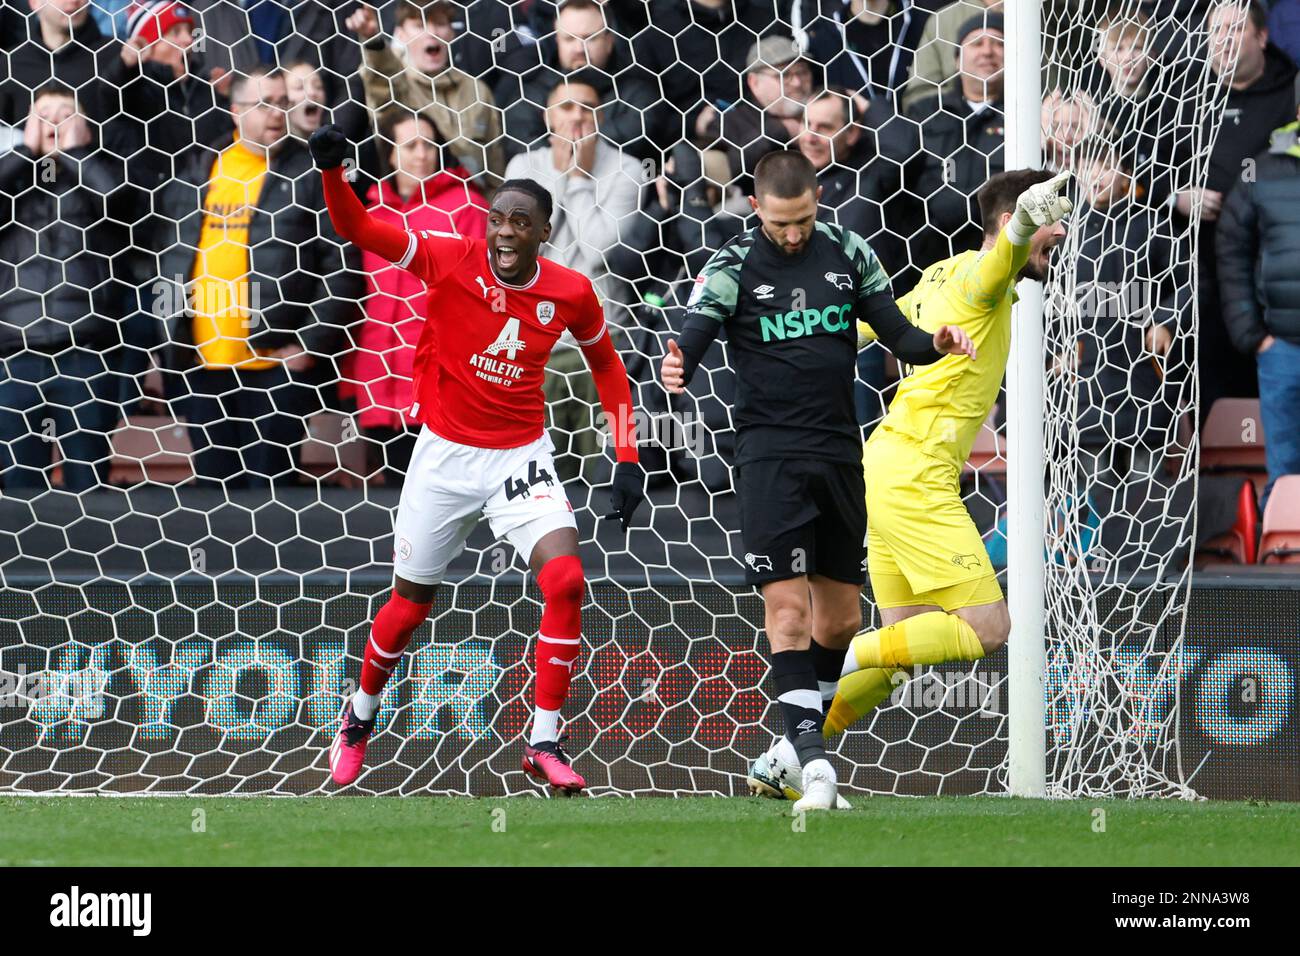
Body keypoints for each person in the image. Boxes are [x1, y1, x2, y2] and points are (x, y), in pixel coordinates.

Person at [310, 124, 646, 794]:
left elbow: (608, 367)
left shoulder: (572, 292)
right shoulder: (447, 256)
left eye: (520, 222)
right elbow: (358, 227)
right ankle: (360, 715)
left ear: (542, 233)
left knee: (567, 583)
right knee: (409, 606)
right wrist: (331, 170)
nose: (503, 232)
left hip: (520, 455)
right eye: (496, 219)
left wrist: (627, 453)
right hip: (444, 457)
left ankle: (543, 743)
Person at [659, 151, 976, 811]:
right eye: (781, 223)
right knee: (789, 613)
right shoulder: (732, 264)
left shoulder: (849, 251)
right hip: (769, 456)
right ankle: (816, 766)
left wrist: (937, 341)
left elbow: (895, 333)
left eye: (803, 219)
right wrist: (679, 360)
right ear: (756, 207)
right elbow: (698, 328)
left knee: (840, 622)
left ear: (818, 200)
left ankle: (795, 755)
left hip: (838, 454)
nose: (795, 234)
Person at [750, 169, 1072, 792]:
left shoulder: (939, 273)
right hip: (918, 476)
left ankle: (788, 757)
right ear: (1012, 222)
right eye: (1047, 230)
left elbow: (869, 323)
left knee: (905, 647)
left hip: (883, 465)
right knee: (986, 629)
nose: (1055, 241)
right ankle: (831, 655)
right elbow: (1002, 256)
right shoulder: (983, 278)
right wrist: (1027, 223)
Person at [150, 67, 361, 488]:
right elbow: (168, 259)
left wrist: (308, 345)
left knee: (272, 503)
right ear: (235, 110)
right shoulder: (199, 169)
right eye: (264, 103)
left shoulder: (311, 174)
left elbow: (343, 266)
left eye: (283, 103)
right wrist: (167, 337)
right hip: (203, 368)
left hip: (274, 368)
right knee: (213, 501)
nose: (277, 113)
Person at [504, 77, 642, 481]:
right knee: (541, 475)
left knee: (596, 476)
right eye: (566, 107)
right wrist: (559, 178)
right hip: (535, 341)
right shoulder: (524, 166)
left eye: (586, 107)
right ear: (548, 118)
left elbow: (600, 249)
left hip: (600, 341)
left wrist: (579, 178)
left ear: (600, 117)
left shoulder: (627, 169)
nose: (577, 116)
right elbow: (517, 253)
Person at [342, 110, 489, 484]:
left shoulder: (467, 206)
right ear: (390, 154)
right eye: (410, 146)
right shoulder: (372, 213)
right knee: (394, 496)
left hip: (440, 379)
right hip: (378, 377)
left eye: (429, 144)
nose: (422, 154)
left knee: (438, 493)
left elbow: (484, 291)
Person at [0, 85, 130, 492]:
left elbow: (120, 203)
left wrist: (76, 155)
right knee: (19, 493)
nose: (54, 121)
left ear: (86, 127)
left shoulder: (104, 172)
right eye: (44, 114)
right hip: (15, 356)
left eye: (65, 113)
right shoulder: (13, 180)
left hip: (85, 355)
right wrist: (25, 153)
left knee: (87, 486)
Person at [1173, 0, 1298, 413]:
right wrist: (1179, 197)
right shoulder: (1184, 95)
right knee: (1210, 380)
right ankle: (1212, 471)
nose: (1224, 40)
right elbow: (1147, 172)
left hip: (1274, 267)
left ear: (1262, 36)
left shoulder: (1292, 90)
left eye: (1235, 28)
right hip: (1200, 267)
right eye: (1216, 31)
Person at [1217, 100, 1300, 511]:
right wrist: (1252, 333)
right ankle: (1281, 562)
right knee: (1284, 471)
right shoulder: (1261, 168)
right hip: (1282, 347)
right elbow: (1230, 248)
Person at [349, 0, 504, 190]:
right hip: (414, 208)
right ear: (401, 35)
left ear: (451, 33)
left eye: (440, 24)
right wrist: (372, 39)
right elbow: (380, 81)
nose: (432, 33)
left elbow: (495, 168)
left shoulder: (477, 91)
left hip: (473, 210)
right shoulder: (396, 86)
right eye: (420, 25)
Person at [906, 14, 1005, 266]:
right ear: (957, 60)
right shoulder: (924, 112)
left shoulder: (1025, 117)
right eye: (976, 43)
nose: (988, 52)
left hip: (1000, 255)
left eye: (999, 43)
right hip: (928, 256)